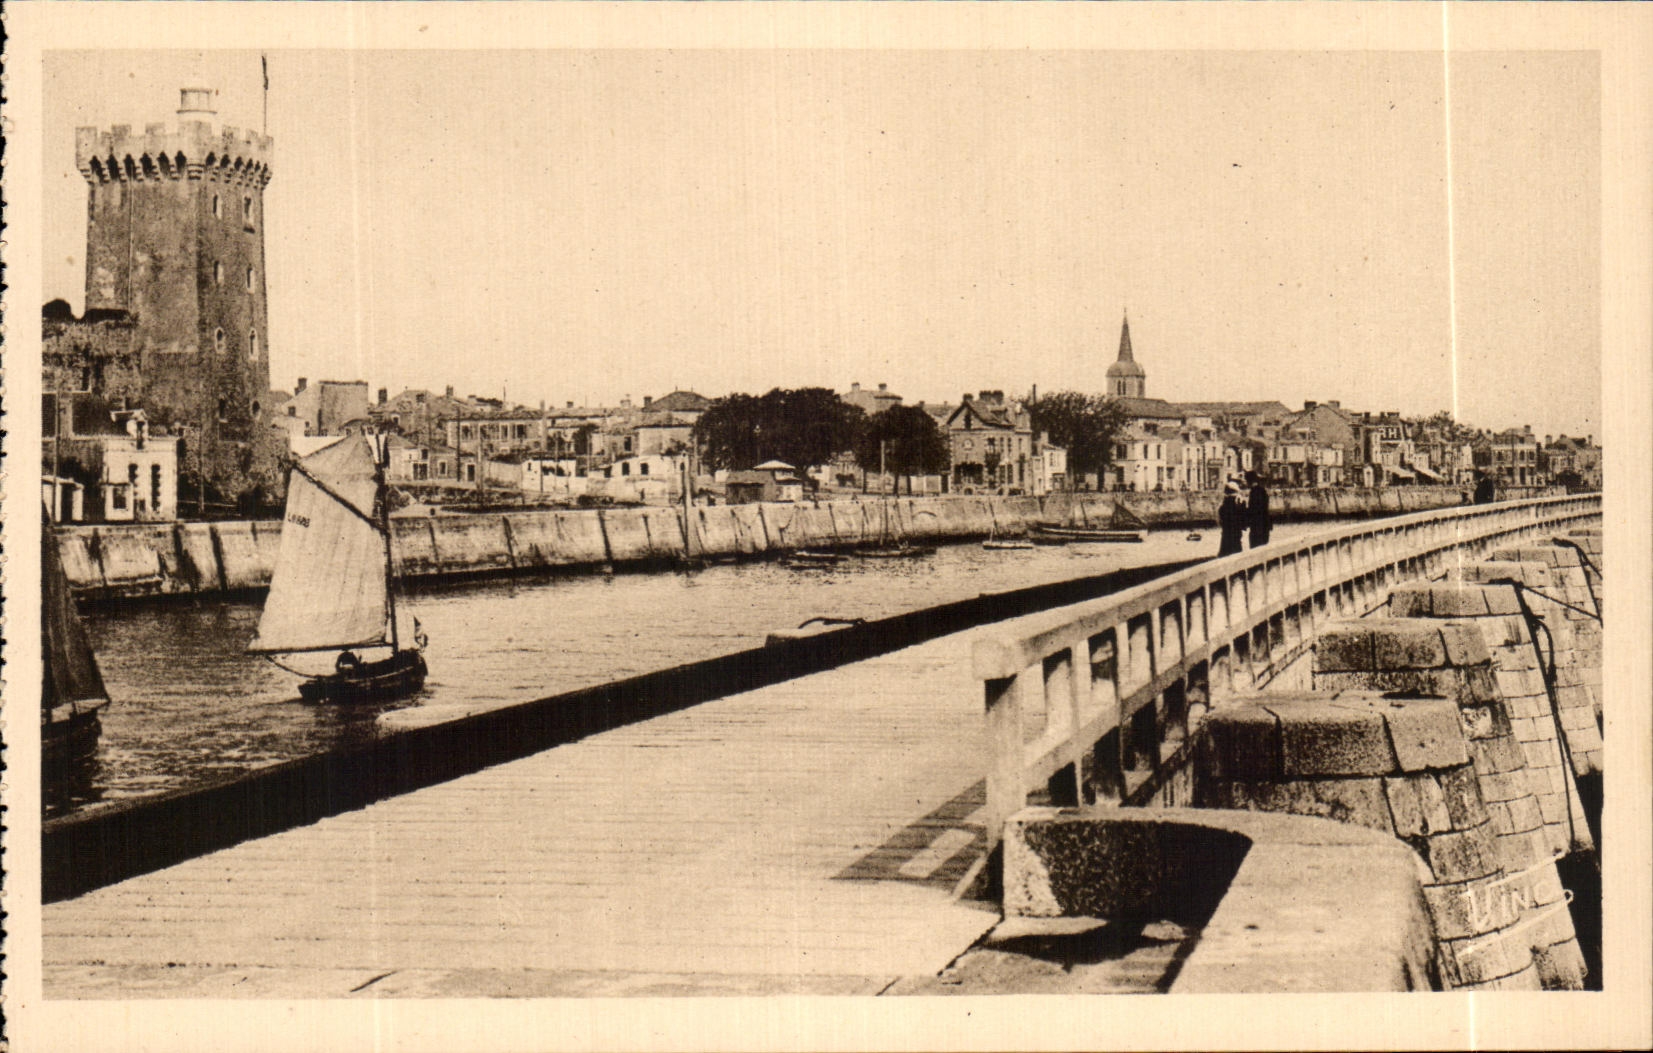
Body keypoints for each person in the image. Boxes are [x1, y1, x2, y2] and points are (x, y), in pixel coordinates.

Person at [1217, 481, 1246, 556]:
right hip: (1236, 532)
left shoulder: (1224, 504)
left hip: (1226, 532)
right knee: (1237, 551)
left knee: (1225, 552)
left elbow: (1220, 519)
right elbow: (1243, 518)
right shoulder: (1239, 502)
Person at [1246, 471, 1271, 548]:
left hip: (1257, 527)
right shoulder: (1262, 491)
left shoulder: (1253, 492)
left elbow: (1253, 510)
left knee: (1255, 547)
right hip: (1265, 526)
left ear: (1249, 481)